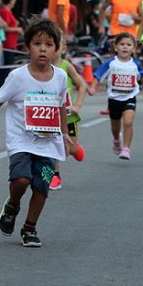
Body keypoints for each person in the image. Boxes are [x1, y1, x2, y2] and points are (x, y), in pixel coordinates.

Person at [0, 17, 71, 247]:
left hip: (48, 143)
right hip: (21, 141)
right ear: (27, 48)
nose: (43, 49)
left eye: (48, 44)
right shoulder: (17, 76)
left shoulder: (61, 77)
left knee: (42, 187)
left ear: (56, 49)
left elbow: (61, 105)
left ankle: (30, 228)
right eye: (37, 44)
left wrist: (65, 134)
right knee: (22, 180)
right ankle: (13, 204)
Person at [89, 32, 143, 160]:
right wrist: (93, 86)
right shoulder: (111, 63)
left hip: (129, 98)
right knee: (115, 127)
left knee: (128, 122)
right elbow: (99, 74)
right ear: (116, 47)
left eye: (128, 45)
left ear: (133, 48)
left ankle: (126, 149)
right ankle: (117, 140)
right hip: (114, 100)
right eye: (122, 44)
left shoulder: (135, 64)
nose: (125, 47)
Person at [49, 35, 86, 190]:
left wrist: (77, 105)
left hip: (70, 116)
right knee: (55, 146)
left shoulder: (66, 66)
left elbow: (82, 85)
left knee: (69, 149)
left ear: (63, 49)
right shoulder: (42, 66)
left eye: (57, 45)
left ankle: (76, 148)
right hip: (52, 116)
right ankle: (55, 175)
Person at [0, 0, 23, 81]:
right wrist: (17, 29)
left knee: (9, 62)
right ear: (10, 0)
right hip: (8, 41)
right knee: (7, 64)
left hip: (12, 41)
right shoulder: (5, 11)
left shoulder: (8, 11)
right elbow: (5, 28)